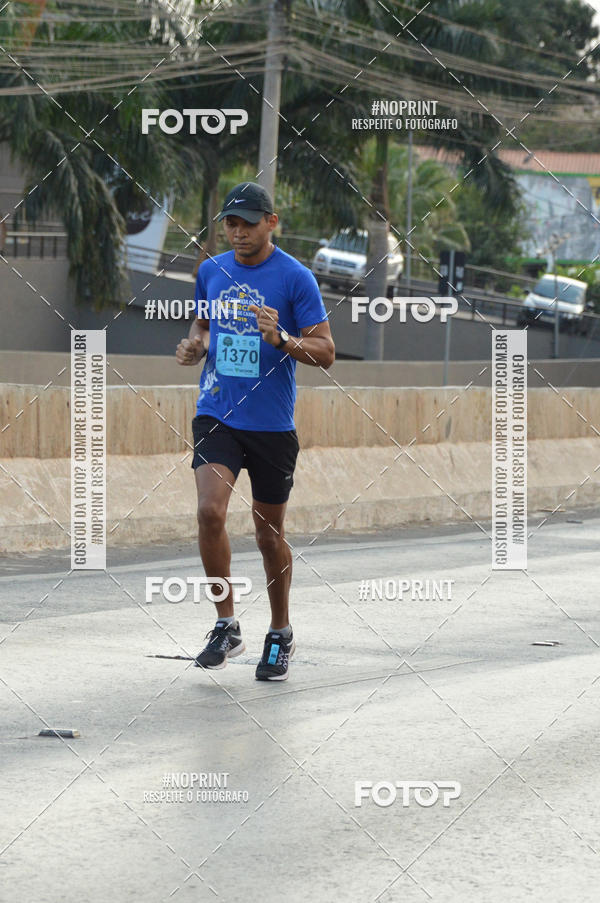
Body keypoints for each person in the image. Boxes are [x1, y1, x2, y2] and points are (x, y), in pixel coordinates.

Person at [176, 182, 335, 680]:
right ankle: (226, 624)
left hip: (271, 427)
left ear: (272, 221)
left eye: (248, 222)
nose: (238, 231)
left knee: (269, 536)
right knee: (208, 511)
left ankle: (280, 632)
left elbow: (326, 352)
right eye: (231, 223)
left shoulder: (296, 278)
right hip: (217, 412)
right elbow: (203, 325)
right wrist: (194, 344)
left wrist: (282, 338)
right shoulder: (211, 271)